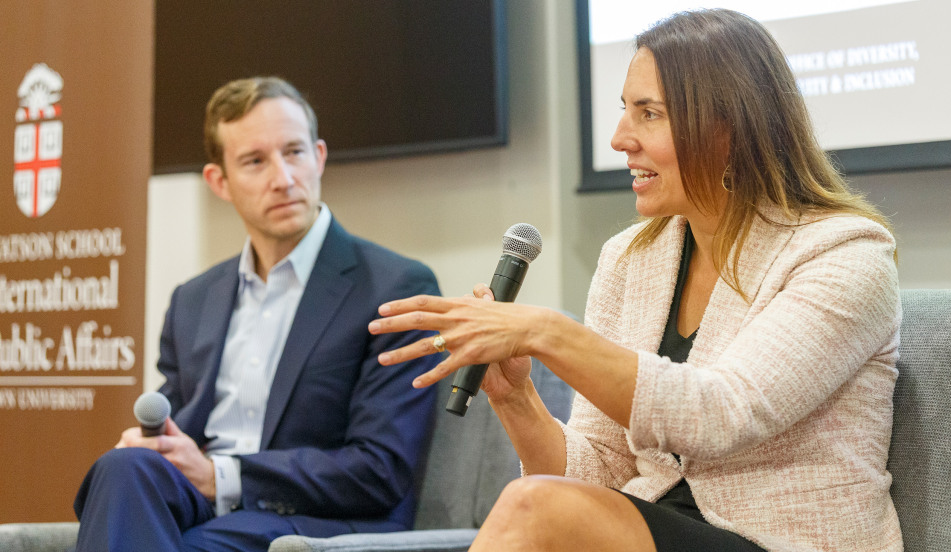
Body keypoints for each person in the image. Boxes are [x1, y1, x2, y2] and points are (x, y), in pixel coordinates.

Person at [370, 9, 902, 552]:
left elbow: (723, 413)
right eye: (625, 110)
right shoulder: (629, 260)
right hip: (654, 530)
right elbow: (597, 473)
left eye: (650, 114)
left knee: (532, 507)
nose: (620, 139)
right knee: (539, 502)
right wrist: (516, 399)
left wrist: (546, 331)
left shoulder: (845, 253)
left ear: (731, 129)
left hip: (785, 542)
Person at [72, 77, 442, 551]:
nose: (283, 178)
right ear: (219, 181)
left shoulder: (395, 288)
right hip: (207, 506)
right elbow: (181, 431)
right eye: (255, 161)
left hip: (320, 521)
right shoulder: (193, 300)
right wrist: (161, 448)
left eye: (294, 153)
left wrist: (221, 475)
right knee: (123, 468)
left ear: (320, 157)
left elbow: (379, 470)